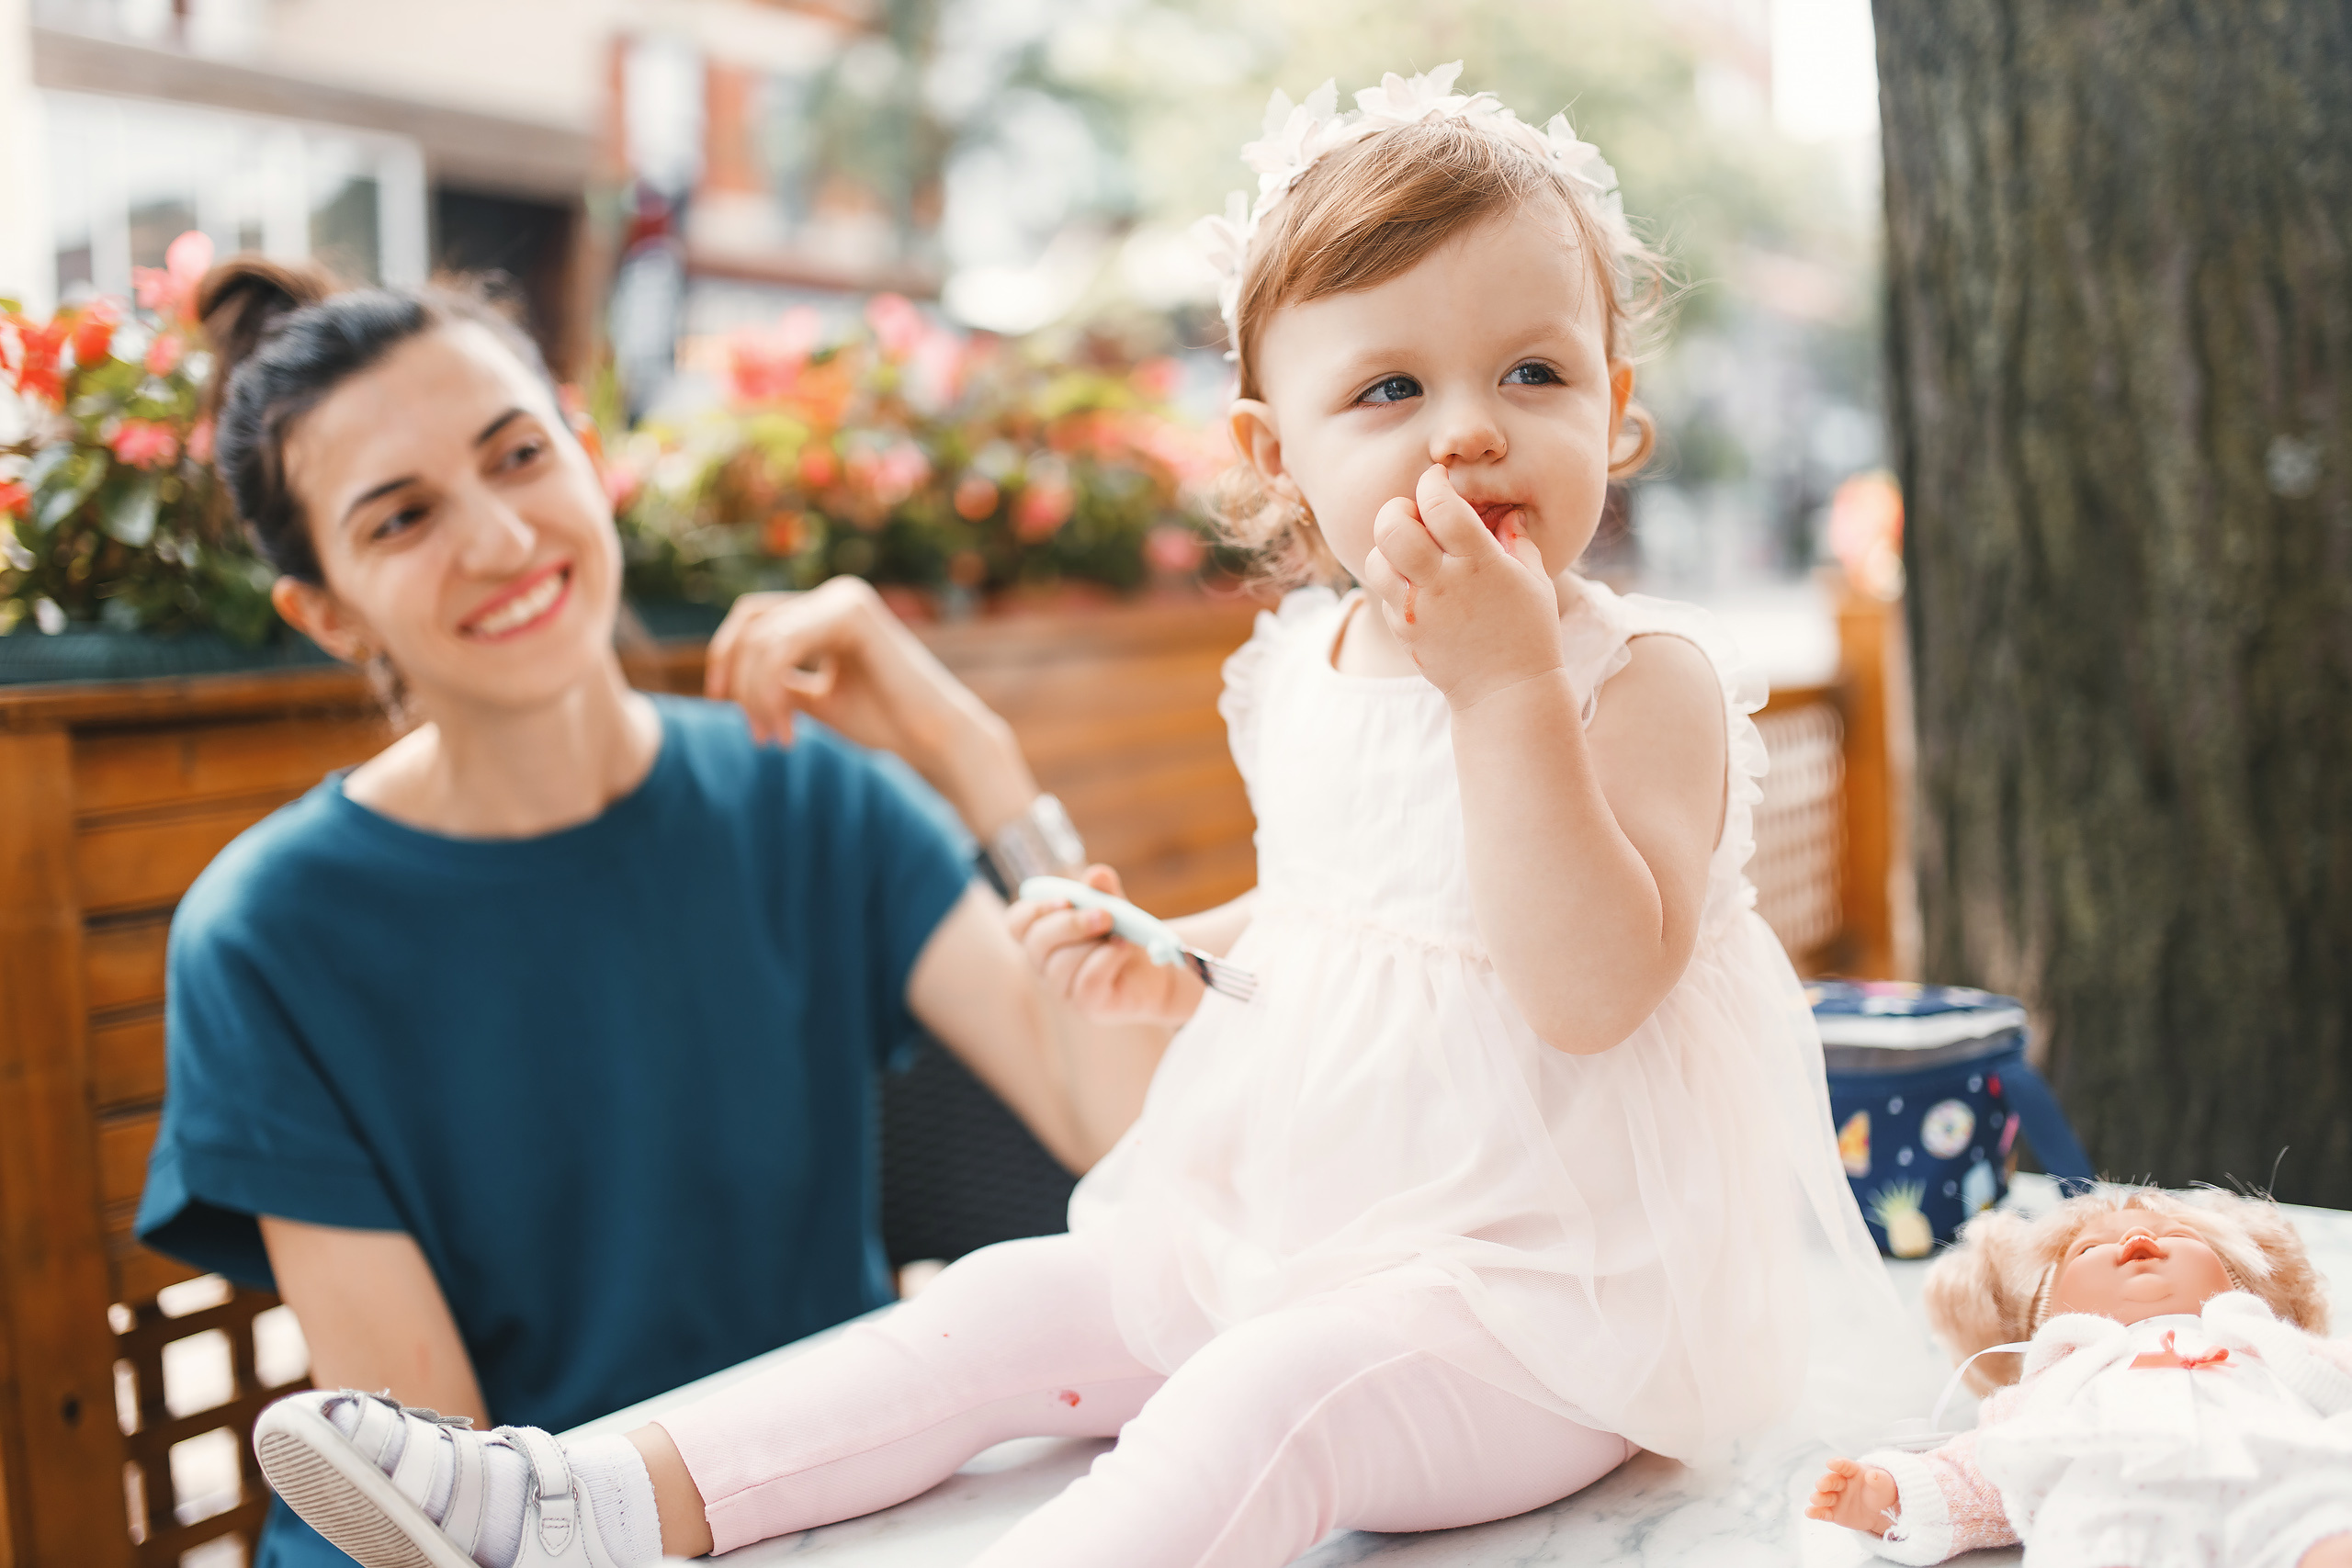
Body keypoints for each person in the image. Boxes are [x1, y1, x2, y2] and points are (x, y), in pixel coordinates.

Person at [254, 65, 1904, 1568]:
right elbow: (1355, 914)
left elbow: (1585, 986)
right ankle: (588, 1495)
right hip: (1319, 1226)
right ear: (1279, 452)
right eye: (1390, 387)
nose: (1470, 425)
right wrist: (1180, 954)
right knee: (1000, 1306)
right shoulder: (1309, 663)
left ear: (1613, 409)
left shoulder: (1641, 683)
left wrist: (1507, 693)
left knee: (1259, 1404)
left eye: (1530, 371)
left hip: (1553, 1309)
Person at [134, 259, 1169, 1568]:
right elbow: (434, 1482)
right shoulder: (270, 935)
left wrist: (972, 755)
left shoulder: (814, 795)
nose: (502, 538)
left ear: (584, 447)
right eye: (402, 518)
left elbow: (1139, 1134)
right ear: (327, 611)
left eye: (519, 453)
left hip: (824, 1508)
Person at [1806, 1187, 2352, 1566]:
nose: (2138, 1238)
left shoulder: (2261, 1341)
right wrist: (1891, 1496)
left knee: (2328, 1531)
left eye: (2179, 1235)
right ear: (2054, 1309)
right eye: (2091, 1249)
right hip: (2115, 1504)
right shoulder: (2057, 1386)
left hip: (2282, 1474)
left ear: (2236, 1277)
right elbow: (1979, 1472)